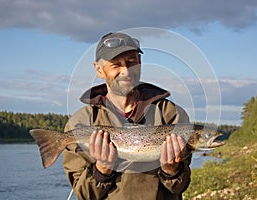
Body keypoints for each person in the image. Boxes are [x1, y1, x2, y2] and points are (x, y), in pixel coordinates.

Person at [63, 32, 192, 200]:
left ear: (139, 62)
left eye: (131, 62)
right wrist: (102, 170)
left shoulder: (171, 114)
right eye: (116, 64)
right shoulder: (79, 123)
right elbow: (85, 195)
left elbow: (180, 187)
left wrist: (171, 171)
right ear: (99, 69)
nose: (125, 71)